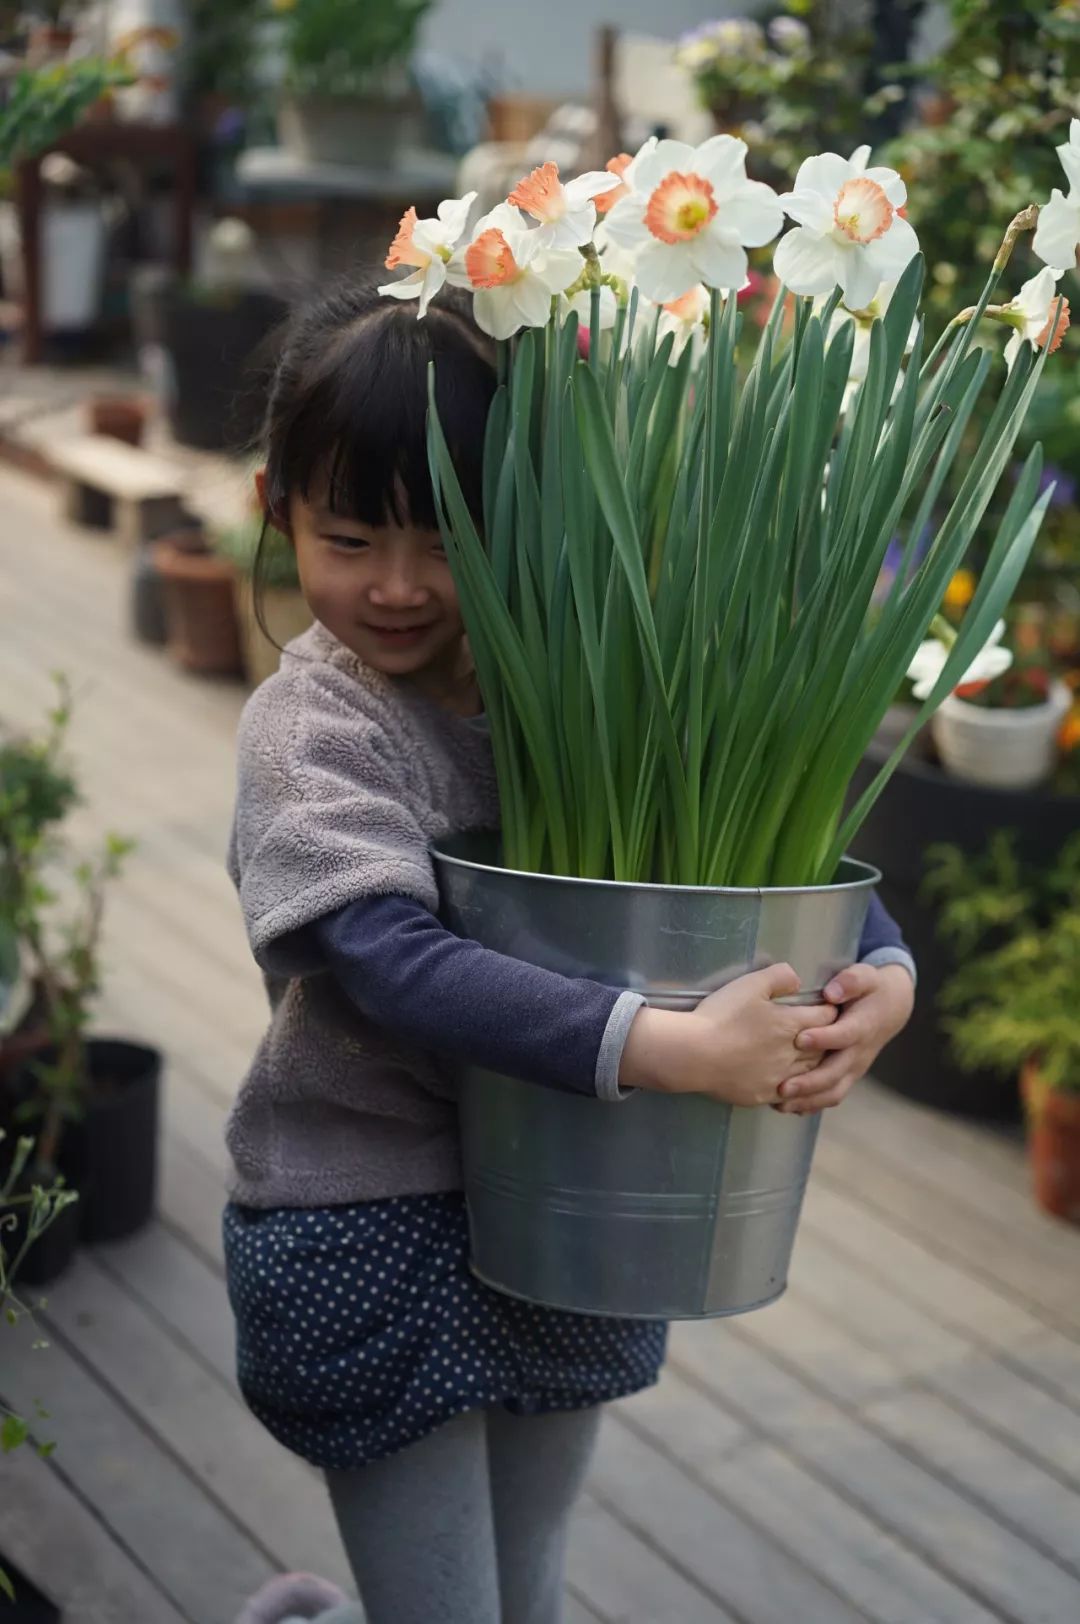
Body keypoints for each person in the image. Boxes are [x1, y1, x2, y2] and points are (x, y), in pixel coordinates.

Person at [224, 276, 916, 1624]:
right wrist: (667, 1049)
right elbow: (387, 960)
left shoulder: (580, 683)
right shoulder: (313, 734)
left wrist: (881, 977)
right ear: (277, 512)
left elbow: (753, 863)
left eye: (448, 537)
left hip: (573, 1215)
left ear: (526, 510)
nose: (402, 586)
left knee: (526, 1599)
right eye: (352, 537)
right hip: (372, 1217)